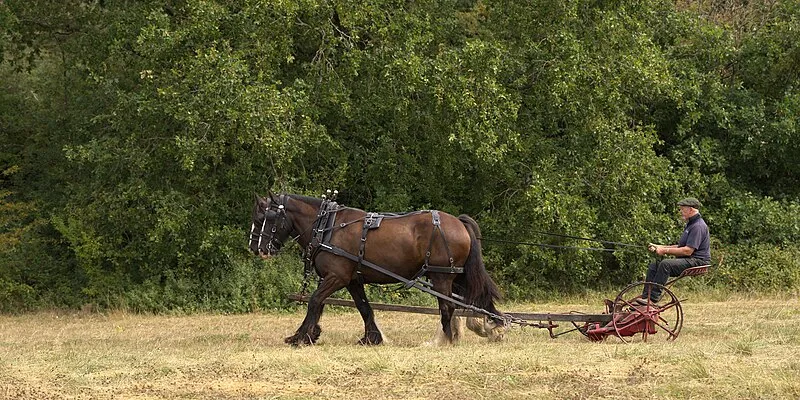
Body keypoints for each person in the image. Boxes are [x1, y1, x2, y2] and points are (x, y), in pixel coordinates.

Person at [636, 197, 711, 304]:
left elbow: (687, 251)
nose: (680, 212)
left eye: (682, 209)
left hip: (697, 261)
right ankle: (645, 298)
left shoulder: (698, 226)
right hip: (690, 259)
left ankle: (652, 299)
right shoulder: (691, 224)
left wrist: (664, 251)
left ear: (691, 209)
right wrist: (659, 246)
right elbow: (680, 246)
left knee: (665, 264)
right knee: (654, 265)